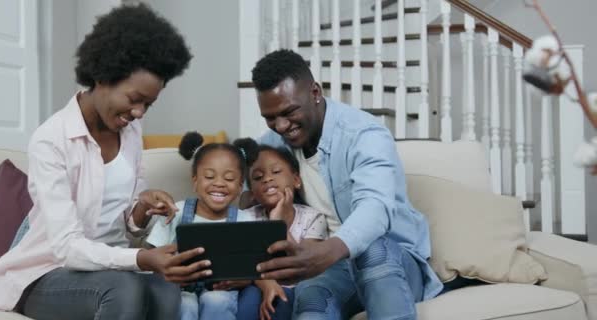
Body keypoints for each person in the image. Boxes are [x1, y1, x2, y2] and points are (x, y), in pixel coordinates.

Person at [0, 4, 206, 320]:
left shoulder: (130, 131)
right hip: (47, 272)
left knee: (166, 290)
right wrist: (142, 258)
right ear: (103, 76)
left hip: (112, 266)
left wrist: (141, 209)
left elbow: (124, 224)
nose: (140, 113)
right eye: (135, 99)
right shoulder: (52, 140)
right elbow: (67, 248)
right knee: (123, 289)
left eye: (149, 103)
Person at [248, 49, 444, 320]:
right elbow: (235, 182)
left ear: (315, 93)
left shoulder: (364, 135)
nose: (280, 126)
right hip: (333, 270)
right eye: (270, 118)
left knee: (373, 251)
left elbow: (375, 208)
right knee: (312, 298)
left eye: (289, 111)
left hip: (393, 261)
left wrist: (327, 251)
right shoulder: (272, 146)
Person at [146, 132, 263, 320]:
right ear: (195, 182)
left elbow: (255, 268)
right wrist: (167, 274)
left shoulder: (245, 220)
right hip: (180, 289)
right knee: (185, 304)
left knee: (216, 300)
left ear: (240, 186)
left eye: (229, 178)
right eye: (209, 176)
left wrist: (243, 280)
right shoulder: (175, 211)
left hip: (222, 291)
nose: (219, 183)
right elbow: (151, 257)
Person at [236, 141, 328, 320]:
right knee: (246, 305)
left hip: (294, 287)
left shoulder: (313, 218)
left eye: (276, 172)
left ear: (296, 180)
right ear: (253, 192)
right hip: (257, 284)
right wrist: (266, 285)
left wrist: (280, 224)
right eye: (257, 177)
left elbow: (304, 265)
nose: (267, 179)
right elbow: (243, 263)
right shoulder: (245, 217)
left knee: (281, 303)